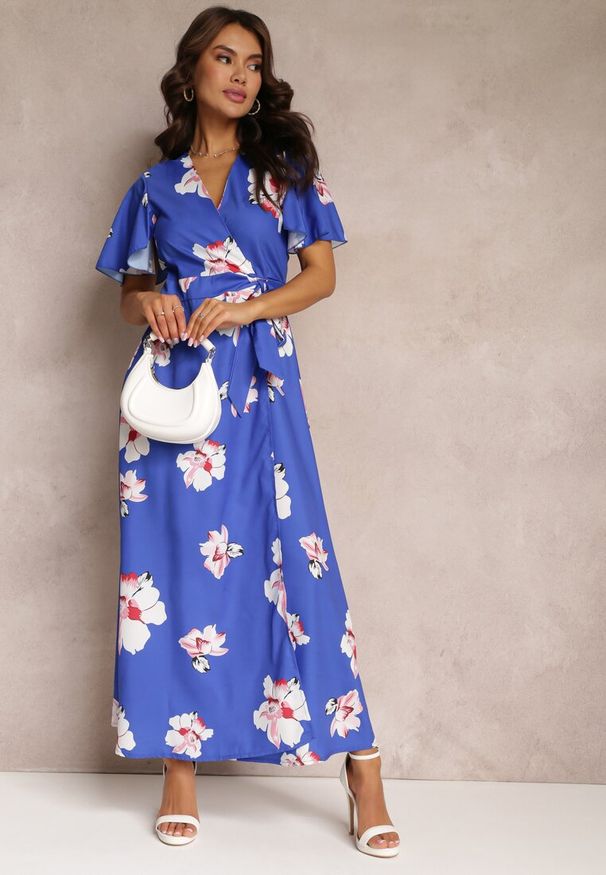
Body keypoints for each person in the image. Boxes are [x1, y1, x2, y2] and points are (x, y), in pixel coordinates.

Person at [95, 6, 399, 858]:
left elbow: (321, 276)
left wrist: (248, 307)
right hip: (175, 394)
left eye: (254, 62)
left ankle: (362, 762)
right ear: (191, 70)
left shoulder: (282, 171)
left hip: (261, 385)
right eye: (224, 58)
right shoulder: (154, 188)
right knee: (171, 568)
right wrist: (154, 303)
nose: (240, 74)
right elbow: (127, 295)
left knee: (297, 556)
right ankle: (179, 765)